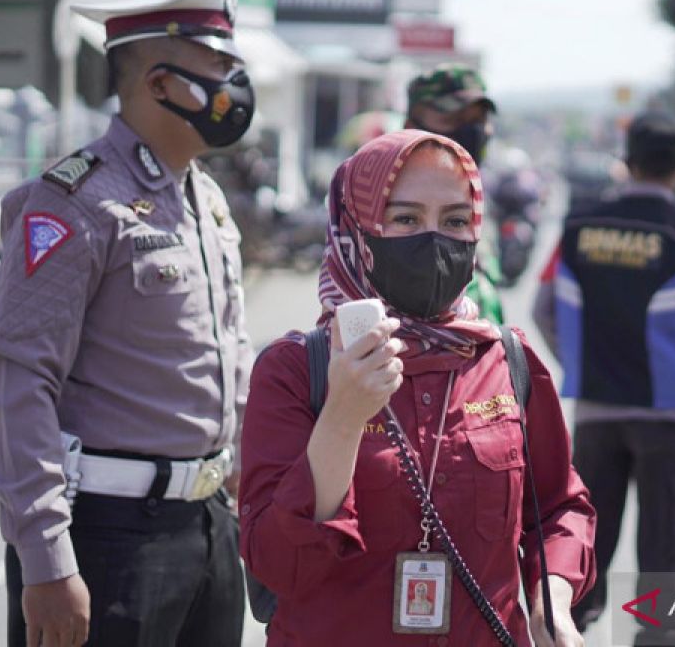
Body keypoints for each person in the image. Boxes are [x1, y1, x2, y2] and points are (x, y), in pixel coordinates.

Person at [0, 0, 255, 647]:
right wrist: (46, 560)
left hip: (207, 525)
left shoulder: (208, 200)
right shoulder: (76, 202)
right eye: (215, 65)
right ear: (161, 82)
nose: (233, 86)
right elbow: (20, 381)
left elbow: (230, 355)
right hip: (106, 537)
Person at [239, 130, 596, 646]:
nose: (434, 241)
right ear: (357, 229)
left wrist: (551, 604)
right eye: (405, 219)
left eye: (454, 221)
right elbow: (279, 565)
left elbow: (558, 507)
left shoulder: (508, 359)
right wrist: (343, 414)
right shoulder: (295, 371)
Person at [533, 111, 675, 645]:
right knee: (664, 559)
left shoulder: (578, 228)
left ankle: (572, 633)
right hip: (667, 422)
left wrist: (582, 363)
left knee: (583, 555)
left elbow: (543, 310)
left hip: (597, 418)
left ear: (627, 162)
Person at [404, 64, 506, 322]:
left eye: (478, 121)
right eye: (453, 120)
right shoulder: (391, 204)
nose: (470, 132)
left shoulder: (475, 195)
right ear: (410, 126)